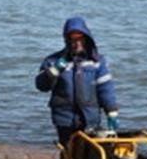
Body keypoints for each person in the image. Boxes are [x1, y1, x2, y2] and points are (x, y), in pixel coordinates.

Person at [34, 16, 119, 148]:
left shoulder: (97, 62)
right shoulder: (52, 61)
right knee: (69, 152)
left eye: (80, 38)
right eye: (72, 39)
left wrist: (111, 110)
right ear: (66, 40)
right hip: (64, 119)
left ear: (86, 38)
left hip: (90, 118)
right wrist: (53, 72)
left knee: (91, 154)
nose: (77, 43)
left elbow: (106, 88)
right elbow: (41, 86)